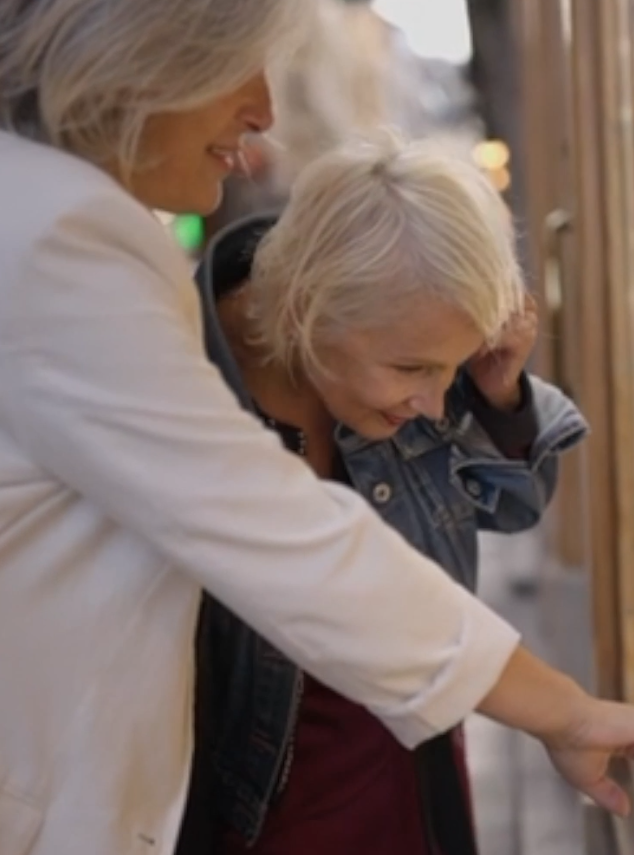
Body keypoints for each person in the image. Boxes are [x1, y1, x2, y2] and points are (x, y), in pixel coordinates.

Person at [0, 1, 634, 853]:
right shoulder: (49, 236)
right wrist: (564, 710)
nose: (259, 111)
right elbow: (277, 533)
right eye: (230, 65)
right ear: (137, 62)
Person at [178, 134, 589, 855]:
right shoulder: (174, 378)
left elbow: (514, 504)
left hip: (411, 773)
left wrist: (497, 394)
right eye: (412, 369)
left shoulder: (407, 339)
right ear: (307, 309)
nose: (432, 404)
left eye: (449, 369)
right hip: (250, 809)